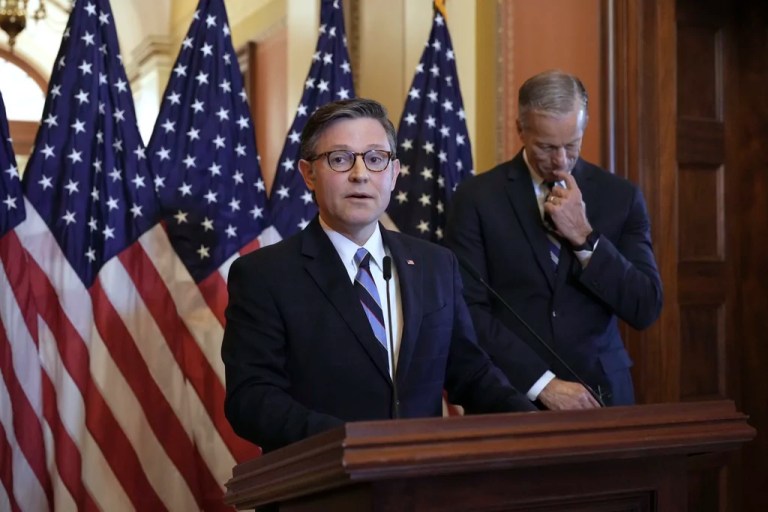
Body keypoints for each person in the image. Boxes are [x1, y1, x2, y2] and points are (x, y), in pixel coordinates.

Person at [222, 98, 535, 453]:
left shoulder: (436, 265)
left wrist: (540, 429)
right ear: (308, 174)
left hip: (422, 482)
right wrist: (353, 441)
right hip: (322, 484)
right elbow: (250, 399)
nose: (360, 174)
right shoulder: (264, 275)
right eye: (340, 159)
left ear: (394, 172)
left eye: (375, 159)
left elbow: (472, 374)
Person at [445, 70, 663, 410]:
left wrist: (585, 239)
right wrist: (542, 384)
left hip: (603, 396)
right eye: (546, 147)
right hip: (512, 396)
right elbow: (468, 308)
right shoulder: (475, 198)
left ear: (583, 126)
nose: (561, 160)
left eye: (572, 145)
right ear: (521, 130)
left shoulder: (621, 197)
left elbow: (645, 306)